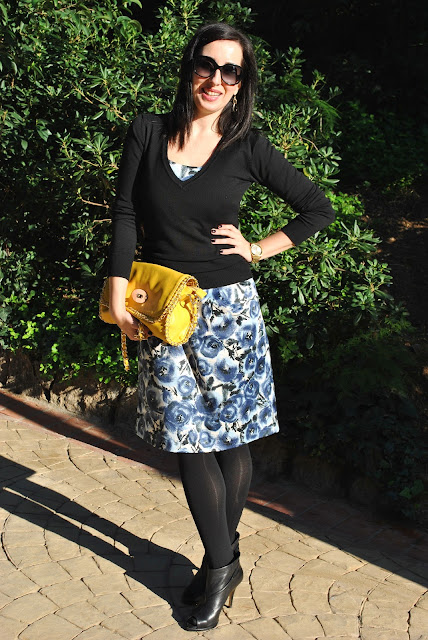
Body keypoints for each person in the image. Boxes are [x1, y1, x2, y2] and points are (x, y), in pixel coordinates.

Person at [107, 22, 335, 631]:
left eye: (231, 71)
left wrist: (258, 248)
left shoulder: (248, 147)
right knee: (188, 441)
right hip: (163, 312)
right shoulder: (148, 131)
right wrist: (117, 295)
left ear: (242, 83)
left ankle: (216, 567)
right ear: (190, 68)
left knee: (232, 440)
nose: (216, 79)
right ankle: (224, 563)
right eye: (207, 65)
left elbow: (317, 208)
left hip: (229, 310)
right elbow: (126, 213)